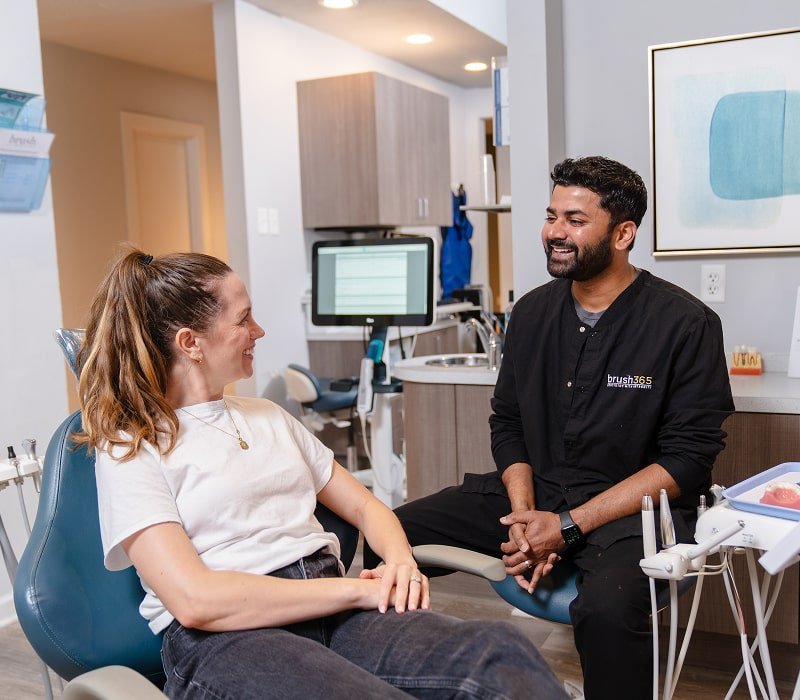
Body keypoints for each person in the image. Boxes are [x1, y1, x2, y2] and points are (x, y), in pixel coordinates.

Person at [74, 248, 566, 700]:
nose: (259, 331)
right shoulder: (131, 447)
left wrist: (399, 562)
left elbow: (367, 506)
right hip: (227, 640)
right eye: (244, 319)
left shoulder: (268, 416)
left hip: (333, 613)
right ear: (191, 343)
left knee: (499, 652)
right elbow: (195, 601)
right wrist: (357, 589)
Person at [365, 156, 735, 699]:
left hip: (627, 512)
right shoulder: (532, 313)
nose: (555, 232)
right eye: (551, 215)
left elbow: (687, 461)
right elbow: (509, 421)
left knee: (608, 610)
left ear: (624, 233)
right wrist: (522, 514)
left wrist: (566, 525)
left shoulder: (685, 324)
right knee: (387, 539)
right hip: (534, 492)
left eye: (575, 220)